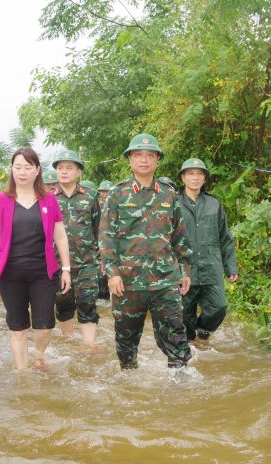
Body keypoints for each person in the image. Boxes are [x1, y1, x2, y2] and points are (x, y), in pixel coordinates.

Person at [99, 133, 193, 370]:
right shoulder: (117, 194)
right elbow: (106, 236)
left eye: (150, 155)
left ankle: (180, 383)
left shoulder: (169, 194)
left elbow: (179, 235)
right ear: (129, 159)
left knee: (176, 333)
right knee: (126, 339)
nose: (144, 160)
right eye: (138, 155)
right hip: (128, 281)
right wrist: (112, 273)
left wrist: (185, 270)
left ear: (157, 160)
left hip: (165, 279)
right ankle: (129, 382)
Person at [0, 148, 71, 371]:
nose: (22, 172)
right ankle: (22, 373)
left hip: (43, 272)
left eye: (27, 167)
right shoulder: (1, 200)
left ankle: (38, 355)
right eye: (17, 167)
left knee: (44, 325)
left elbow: (60, 236)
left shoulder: (48, 199)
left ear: (37, 170)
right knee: (17, 326)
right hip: (10, 273)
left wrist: (66, 268)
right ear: (12, 169)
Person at [177, 158, 238, 343]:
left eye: (199, 174)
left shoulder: (214, 204)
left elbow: (225, 237)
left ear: (204, 178)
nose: (195, 178)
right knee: (184, 311)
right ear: (183, 178)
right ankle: (188, 345)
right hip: (184, 267)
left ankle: (203, 332)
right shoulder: (173, 203)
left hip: (211, 266)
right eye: (191, 174)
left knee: (219, 306)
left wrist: (231, 267)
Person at [52, 150, 101, 347]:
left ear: (79, 172)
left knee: (88, 304)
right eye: (60, 168)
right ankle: (67, 342)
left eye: (69, 168)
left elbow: (99, 230)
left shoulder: (90, 197)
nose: (63, 172)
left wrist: (102, 259)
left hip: (86, 263)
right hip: (56, 263)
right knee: (63, 305)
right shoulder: (48, 198)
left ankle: (89, 346)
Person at [96, 180, 113, 300]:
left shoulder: (115, 205)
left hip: (112, 245)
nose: (105, 194)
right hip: (98, 245)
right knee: (100, 275)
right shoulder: (96, 206)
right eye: (103, 191)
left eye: (107, 191)